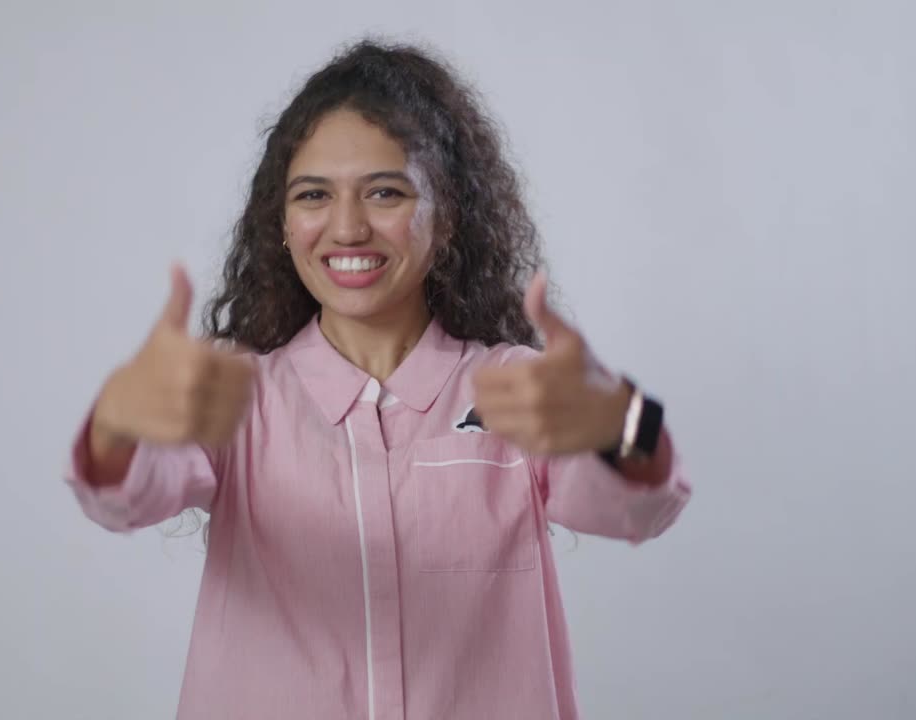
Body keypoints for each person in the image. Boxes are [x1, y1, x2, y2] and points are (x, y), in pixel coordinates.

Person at [65, 39, 691, 720]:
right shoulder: (237, 399)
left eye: (385, 192)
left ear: (446, 215)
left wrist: (624, 416)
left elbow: (644, 507)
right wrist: (115, 419)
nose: (348, 227)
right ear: (282, 223)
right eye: (313, 196)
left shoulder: (514, 390)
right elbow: (123, 496)